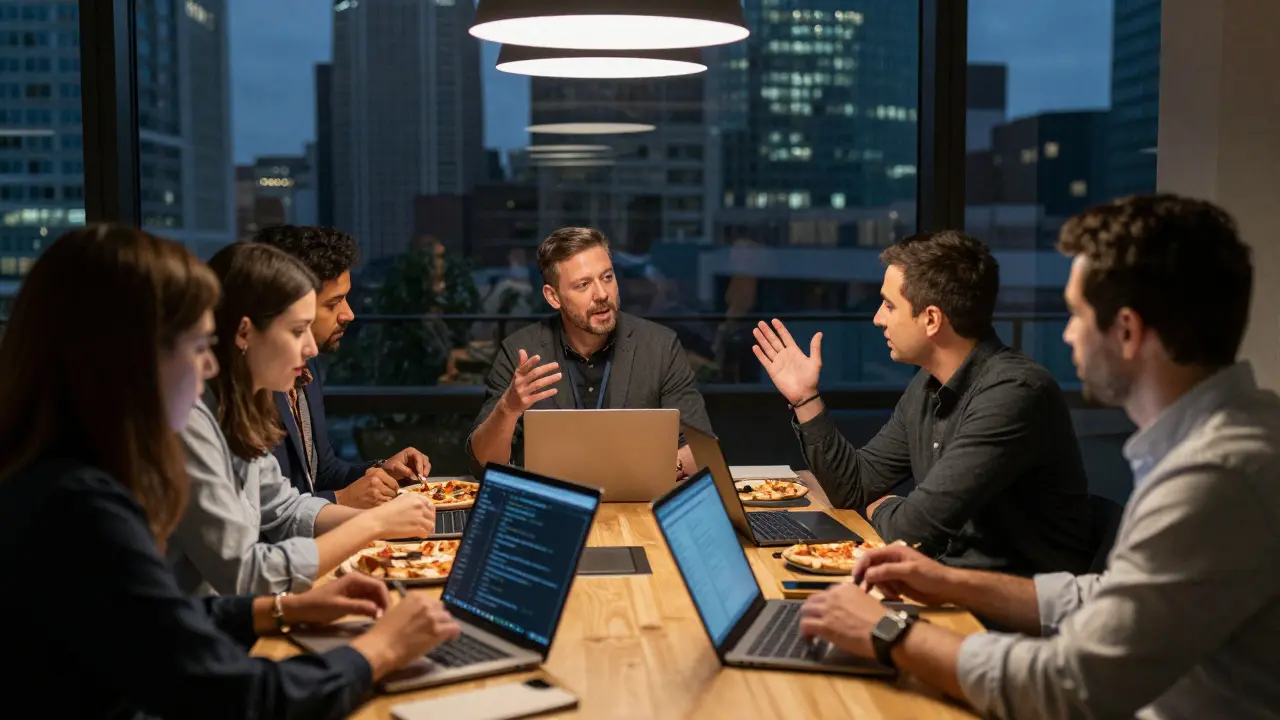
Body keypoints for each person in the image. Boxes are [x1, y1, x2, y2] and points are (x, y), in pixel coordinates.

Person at [798, 195, 1280, 718]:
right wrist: (948, 582)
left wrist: (887, 630)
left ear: (1126, 331)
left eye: (1075, 313)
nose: (1067, 331)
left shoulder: (1216, 477)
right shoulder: (1223, 442)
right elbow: (1105, 596)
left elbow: (1071, 682)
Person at [0, 225, 460, 718]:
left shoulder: (61, 477)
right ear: (128, 357)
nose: (211, 368)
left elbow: (158, 623)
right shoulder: (80, 506)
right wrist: (379, 651)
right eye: (198, 347)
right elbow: (239, 696)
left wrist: (281, 609)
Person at [753, 231, 1092, 576]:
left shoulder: (1014, 393)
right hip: (948, 586)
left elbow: (909, 532)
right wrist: (805, 398)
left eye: (888, 305)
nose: (877, 319)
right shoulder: (928, 383)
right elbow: (854, 486)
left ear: (931, 319)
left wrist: (883, 505)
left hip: (1005, 612)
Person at [171, 242, 437, 596]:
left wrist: (385, 522)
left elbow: (284, 508)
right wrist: (374, 524)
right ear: (244, 333)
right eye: (298, 331)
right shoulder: (190, 421)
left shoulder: (241, 408)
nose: (310, 349)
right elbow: (240, 572)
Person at [467, 227, 713, 477]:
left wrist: (651, 469)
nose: (602, 294)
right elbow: (483, 463)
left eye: (607, 277)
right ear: (553, 297)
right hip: (551, 507)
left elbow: (702, 450)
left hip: (635, 505)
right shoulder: (520, 351)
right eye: (583, 285)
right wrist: (508, 409)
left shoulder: (660, 347)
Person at [255, 225, 430, 509]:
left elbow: (322, 472)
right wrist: (339, 500)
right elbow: (262, 514)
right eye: (334, 303)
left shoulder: (307, 365)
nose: (349, 314)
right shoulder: (247, 384)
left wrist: (380, 472)